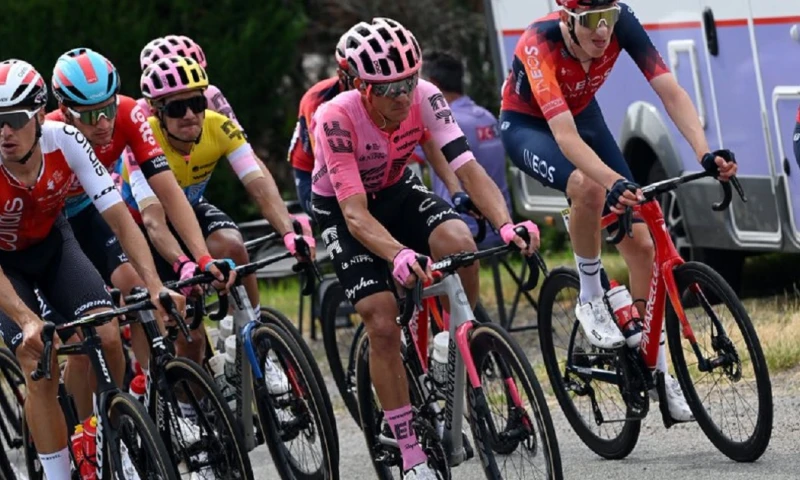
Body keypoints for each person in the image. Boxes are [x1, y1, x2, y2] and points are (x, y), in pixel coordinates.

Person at [311, 18, 538, 479]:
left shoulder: (426, 96)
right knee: (379, 318)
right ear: (360, 86)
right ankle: (411, 450)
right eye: (389, 87)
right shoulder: (334, 117)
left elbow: (469, 169)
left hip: (395, 189)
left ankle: (454, 342)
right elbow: (354, 215)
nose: (402, 95)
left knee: (460, 240)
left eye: (409, 80)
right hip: (343, 207)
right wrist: (396, 254)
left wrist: (507, 225)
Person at [499, 0, 737, 421]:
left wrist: (703, 152)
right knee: (588, 186)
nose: (603, 30)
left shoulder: (620, 21)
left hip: (582, 115)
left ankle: (656, 368)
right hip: (530, 126)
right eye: (591, 21)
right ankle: (590, 296)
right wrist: (612, 182)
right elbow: (567, 141)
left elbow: (669, 90)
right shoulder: (539, 42)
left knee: (643, 244)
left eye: (608, 17)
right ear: (567, 20)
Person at [0, 59, 183, 480]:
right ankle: (60, 473)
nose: (4, 132)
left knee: (105, 335)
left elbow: (119, 218)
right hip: (6, 269)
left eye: (13, 120)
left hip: (52, 245)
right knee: (38, 364)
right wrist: (27, 319)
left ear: (40, 116)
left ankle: (101, 434)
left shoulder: (64, 139)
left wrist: (155, 286)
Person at [118, 55, 315, 392]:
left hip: (190, 209)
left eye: (196, 103)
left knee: (233, 246)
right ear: (157, 112)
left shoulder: (216, 125)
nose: (190, 114)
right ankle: (190, 408)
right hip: (146, 226)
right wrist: (183, 264)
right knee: (190, 337)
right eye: (177, 108)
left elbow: (258, 184)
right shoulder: (143, 139)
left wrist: (288, 231)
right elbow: (153, 220)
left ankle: (253, 339)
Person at [46, 47, 233, 372]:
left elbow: (170, 194)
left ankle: (148, 382)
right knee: (85, 337)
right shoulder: (48, 134)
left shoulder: (130, 113)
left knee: (138, 287)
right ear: (65, 110)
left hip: (91, 213)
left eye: (108, 109)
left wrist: (201, 258)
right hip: (50, 226)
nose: (103, 123)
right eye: (91, 115)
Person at [289, 23, 461, 219]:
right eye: (359, 79)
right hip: (317, 176)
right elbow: (333, 166)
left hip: (373, 169)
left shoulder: (390, 97)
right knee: (358, 220)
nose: (366, 85)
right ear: (342, 76)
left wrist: (455, 191)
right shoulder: (319, 100)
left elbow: (429, 143)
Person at [413, 50, 512, 247]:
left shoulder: (443, 123)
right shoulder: (487, 116)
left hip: (464, 231)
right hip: (502, 225)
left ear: (433, 85)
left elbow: (399, 158)